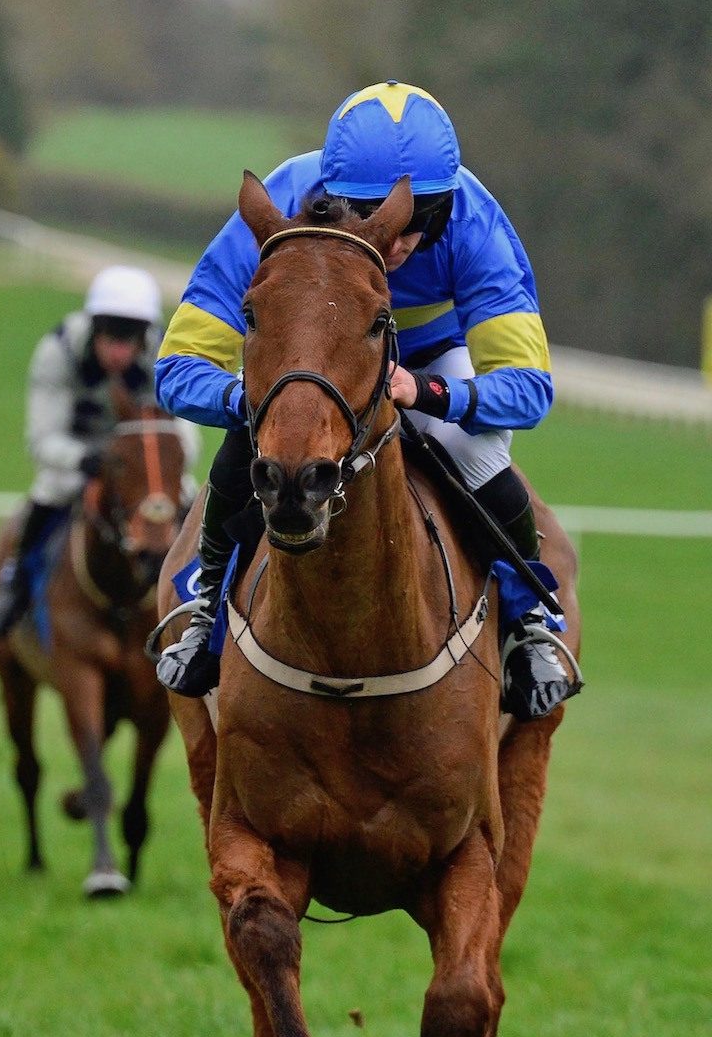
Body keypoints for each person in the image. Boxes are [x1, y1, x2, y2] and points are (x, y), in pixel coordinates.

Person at [152, 81, 580, 719]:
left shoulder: (477, 225)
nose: (398, 239)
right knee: (255, 443)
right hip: (317, 364)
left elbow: (528, 389)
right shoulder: (280, 207)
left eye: (421, 217)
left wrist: (434, 392)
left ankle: (527, 625)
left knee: (474, 450)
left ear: (448, 201)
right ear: (329, 195)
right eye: (371, 215)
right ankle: (207, 606)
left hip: (432, 364)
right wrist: (249, 397)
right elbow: (178, 366)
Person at [0, 265, 165, 635]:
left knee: (186, 506)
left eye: (128, 338)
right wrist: (84, 460)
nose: (118, 351)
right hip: (80, 458)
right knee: (48, 493)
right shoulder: (59, 350)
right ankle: (15, 582)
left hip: (141, 463)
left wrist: (153, 471)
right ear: (95, 328)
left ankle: (204, 598)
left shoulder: (165, 355)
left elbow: (181, 432)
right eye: (110, 336)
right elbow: (42, 437)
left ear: (144, 337)